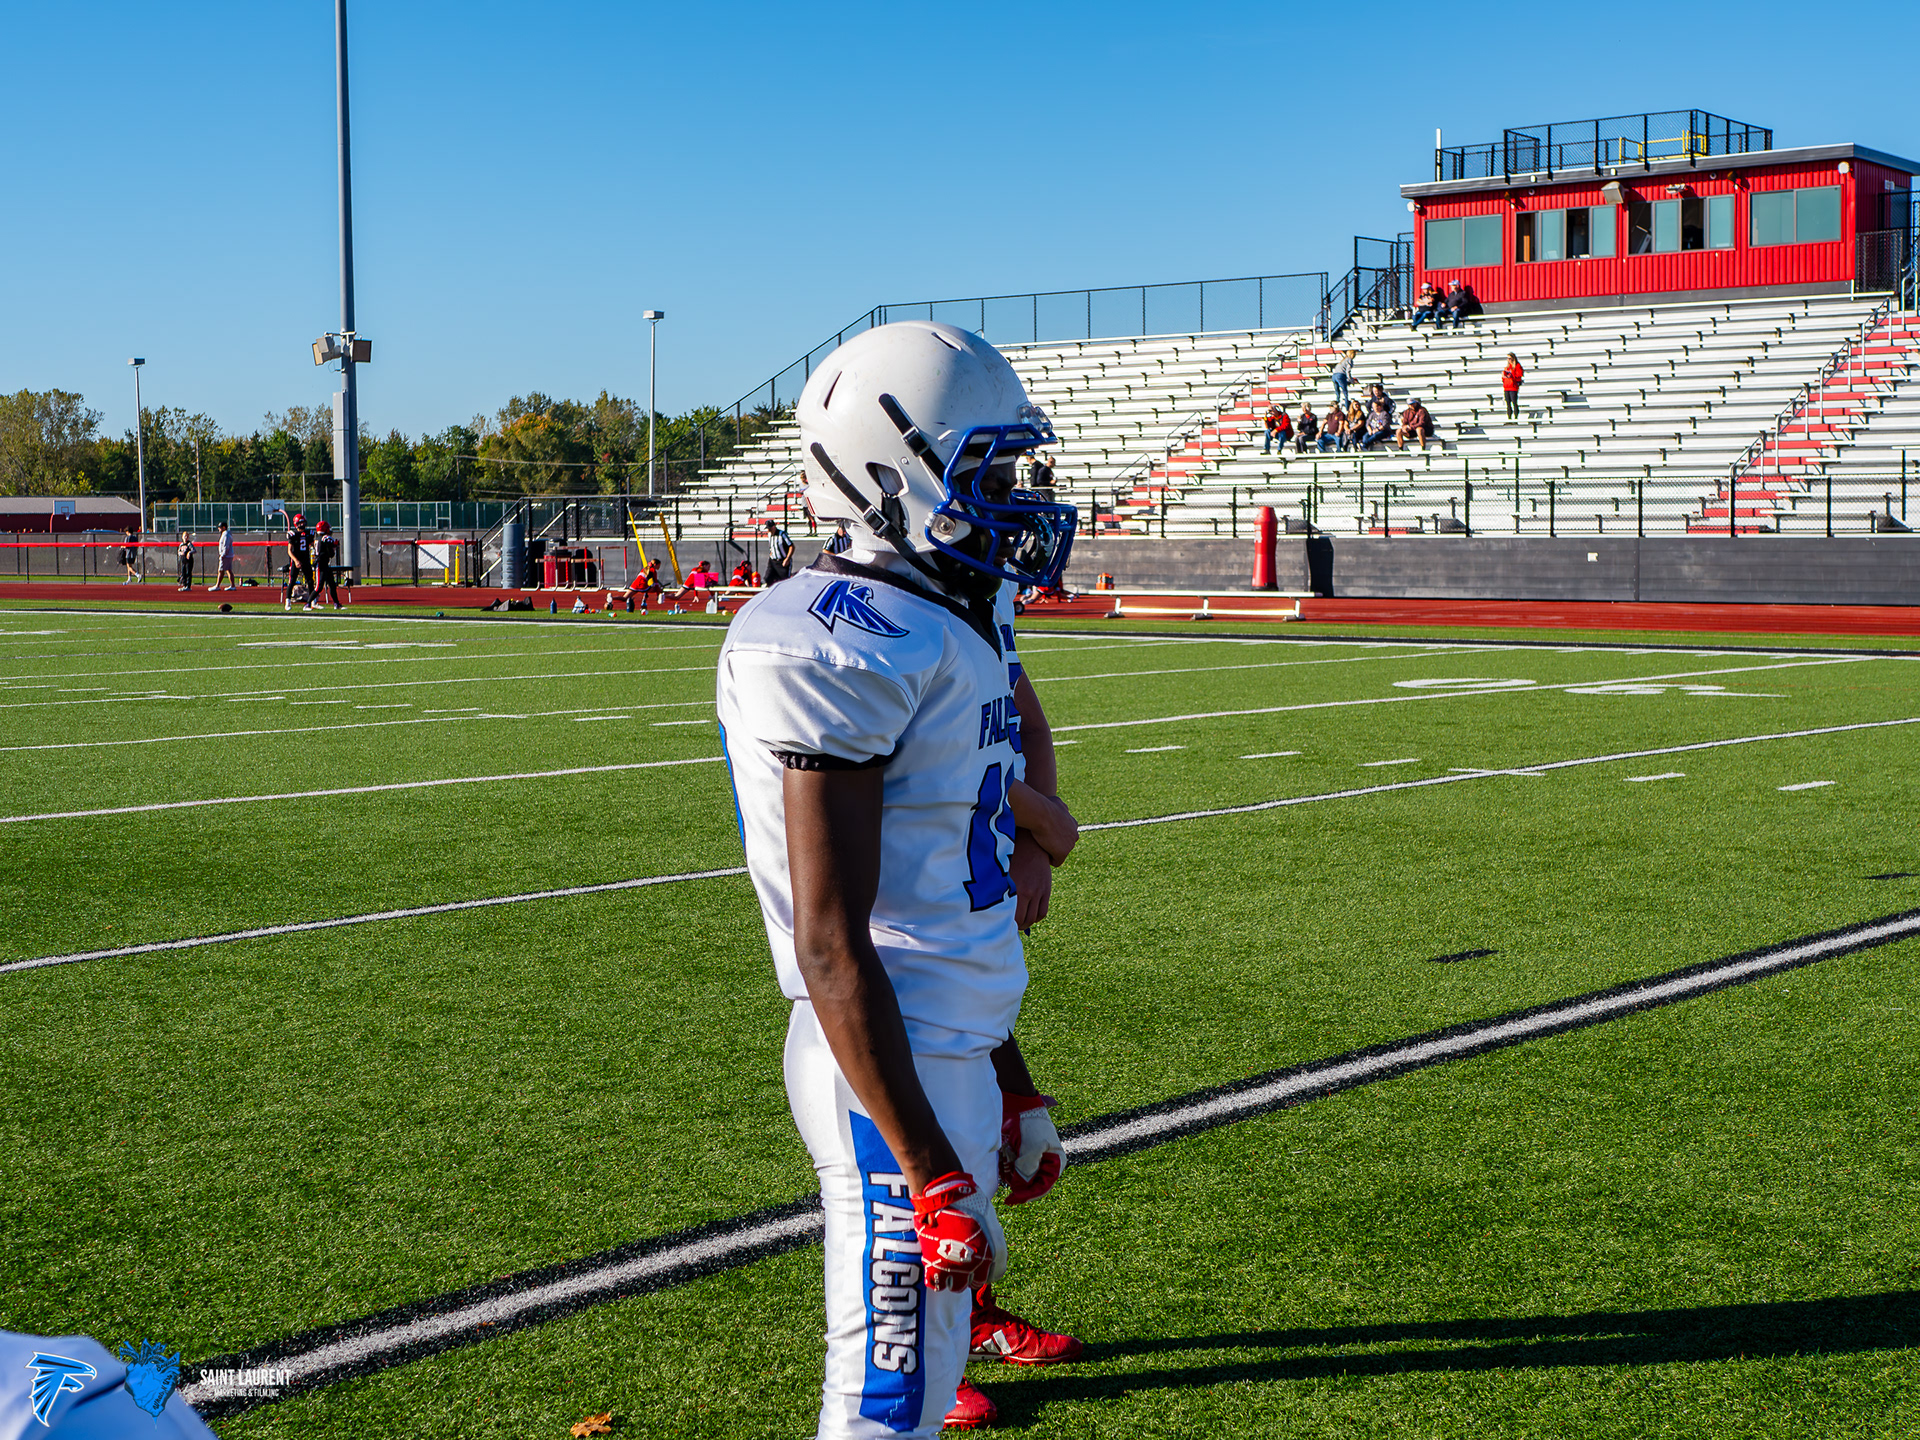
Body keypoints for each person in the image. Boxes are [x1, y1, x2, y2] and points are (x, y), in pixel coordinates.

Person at [715, 320, 1083, 1438]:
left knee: (917, 1387)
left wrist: (1010, 1079)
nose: (1015, 498)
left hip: (941, 1047)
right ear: (888, 475)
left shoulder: (950, 613)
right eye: (988, 472)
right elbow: (836, 940)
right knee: (883, 1410)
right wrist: (929, 1171)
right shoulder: (836, 640)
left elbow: (938, 905)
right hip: (883, 1071)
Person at [284, 514, 315, 612]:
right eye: (300, 523)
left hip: (306, 559)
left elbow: (313, 544)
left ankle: (312, 602)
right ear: (296, 524)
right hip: (296, 559)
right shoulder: (293, 534)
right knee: (292, 581)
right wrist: (296, 560)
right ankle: (288, 602)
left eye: (303, 522)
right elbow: (289, 551)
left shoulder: (309, 533)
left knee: (310, 581)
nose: (302, 524)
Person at [312, 519, 343, 610]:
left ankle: (336, 603)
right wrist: (333, 547)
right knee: (319, 586)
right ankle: (309, 603)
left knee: (332, 585)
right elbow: (330, 554)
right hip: (321, 564)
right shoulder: (325, 539)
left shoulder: (318, 539)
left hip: (323, 564)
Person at [765, 518, 796, 583]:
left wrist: (787, 558)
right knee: (767, 578)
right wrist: (771, 553)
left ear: (774, 527)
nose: (769, 530)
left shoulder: (782, 534)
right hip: (773, 561)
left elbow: (791, 546)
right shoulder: (769, 535)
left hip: (782, 561)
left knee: (784, 580)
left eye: (770, 528)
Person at [210, 522, 235, 590]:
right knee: (228, 570)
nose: (218, 529)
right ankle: (232, 586)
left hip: (226, 556)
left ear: (224, 527)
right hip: (228, 555)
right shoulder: (225, 534)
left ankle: (217, 585)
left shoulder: (226, 535)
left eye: (220, 527)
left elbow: (226, 546)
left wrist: (223, 555)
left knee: (221, 570)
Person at [1502, 352, 1525, 422]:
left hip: (1513, 387)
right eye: (1507, 358)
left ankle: (1515, 417)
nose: (1508, 360)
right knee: (1508, 403)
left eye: (1510, 358)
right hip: (1507, 386)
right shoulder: (1507, 367)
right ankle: (1509, 418)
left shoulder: (1517, 366)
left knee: (1514, 402)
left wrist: (1512, 375)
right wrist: (1504, 376)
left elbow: (1519, 375)